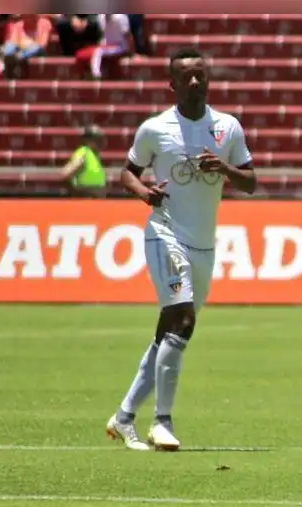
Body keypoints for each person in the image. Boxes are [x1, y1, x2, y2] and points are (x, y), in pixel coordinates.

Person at [105, 48, 257, 451]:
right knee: (183, 319)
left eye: (200, 75)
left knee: (168, 333)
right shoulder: (155, 129)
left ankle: (123, 417)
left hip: (204, 243)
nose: (195, 82)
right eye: (186, 76)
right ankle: (162, 422)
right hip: (164, 231)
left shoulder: (228, 127)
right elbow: (127, 173)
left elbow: (251, 181)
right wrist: (144, 192)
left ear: (208, 80)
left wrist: (224, 170)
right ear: (171, 84)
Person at [60, 124, 108, 197]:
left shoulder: (94, 155)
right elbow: (65, 174)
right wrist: (78, 192)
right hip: (86, 200)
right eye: (97, 140)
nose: (100, 143)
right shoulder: (84, 153)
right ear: (88, 140)